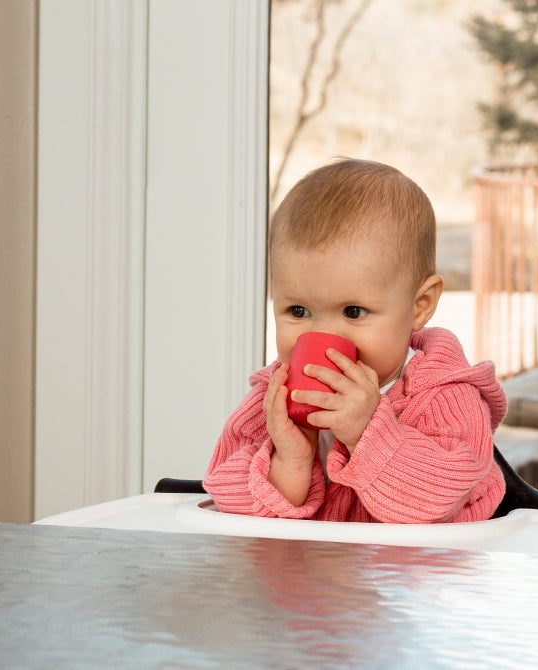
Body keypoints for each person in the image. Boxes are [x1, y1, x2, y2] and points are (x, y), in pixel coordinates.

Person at [203, 158, 507, 523]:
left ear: (419, 305)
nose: (324, 337)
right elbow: (224, 500)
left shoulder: (445, 396)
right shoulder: (273, 400)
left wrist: (368, 433)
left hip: (413, 576)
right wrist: (289, 461)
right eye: (298, 311)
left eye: (353, 312)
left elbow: (439, 504)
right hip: (306, 576)